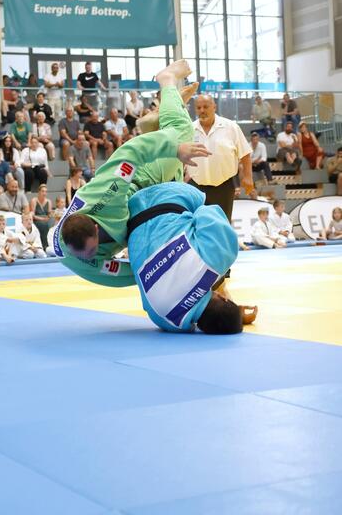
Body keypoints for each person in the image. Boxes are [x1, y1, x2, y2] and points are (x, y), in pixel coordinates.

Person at [54, 60, 210, 287]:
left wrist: (176, 149)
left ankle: (166, 82)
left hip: (140, 178)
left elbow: (131, 152)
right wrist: (154, 274)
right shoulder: (75, 259)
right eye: (84, 254)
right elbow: (122, 274)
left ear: (95, 228)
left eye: (91, 250)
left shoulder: (105, 195)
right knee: (177, 179)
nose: (89, 257)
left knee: (182, 132)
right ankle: (161, 115)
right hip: (139, 211)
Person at [126, 180, 253, 333]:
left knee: (205, 207)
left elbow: (206, 211)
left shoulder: (218, 261)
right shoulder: (168, 322)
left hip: (164, 195)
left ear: (224, 298)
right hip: (129, 220)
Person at [186, 94, 253, 222]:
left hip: (224, 187)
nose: (202, 110)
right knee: (197, 225)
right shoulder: (189, 129)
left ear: (214, 107)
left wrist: (248, 177)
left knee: (222, 225)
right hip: (196, 187)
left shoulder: (231, 127)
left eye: (205, 107)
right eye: (198, 107)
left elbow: (245, 154)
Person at [30, 184, 52, 249]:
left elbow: (49, 214)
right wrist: (42, 219)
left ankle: (48, 244)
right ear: (39, 192)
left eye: (45, 191)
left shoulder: (49, 201)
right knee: (43, 225)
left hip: (46, 219)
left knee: (49, 224)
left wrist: (50, 215)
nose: (44, 193)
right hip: (37, 219)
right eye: (42, 191)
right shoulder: (34, 200)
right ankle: (44, 245)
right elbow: (33, 214)